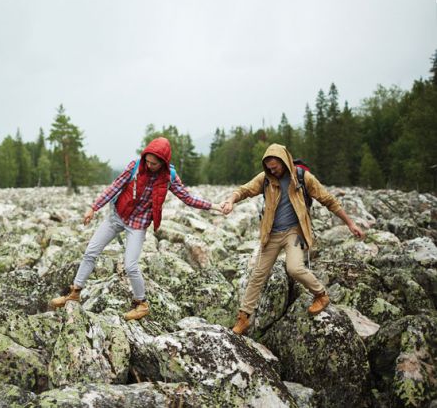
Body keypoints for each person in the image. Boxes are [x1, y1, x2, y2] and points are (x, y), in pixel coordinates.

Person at [50, 137, 222, 320]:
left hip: (138, 224)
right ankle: (74, 293)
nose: (148, 165)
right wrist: (93, 208)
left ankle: (142, 304)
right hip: (117, 216)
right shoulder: (135, 166)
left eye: (153, 164)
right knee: (90, 251)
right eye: (147, 161)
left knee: (130, 265)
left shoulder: (169, 177)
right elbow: (115, 187)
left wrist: (215, 206)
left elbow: (188, 199)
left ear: (163, 163)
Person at [221, 143, 365, 335]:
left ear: (284, 161)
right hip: (271, 234)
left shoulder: (302, 177)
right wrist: (231, 201)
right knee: (257, 275)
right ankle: (243, 318)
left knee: (295, 268)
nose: (272, 171)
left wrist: (350, 224)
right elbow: (244, 190)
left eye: (275, 167)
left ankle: (321, 295)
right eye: (269, 168)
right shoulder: (265, 178)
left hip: (294, 233)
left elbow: (329, 200)